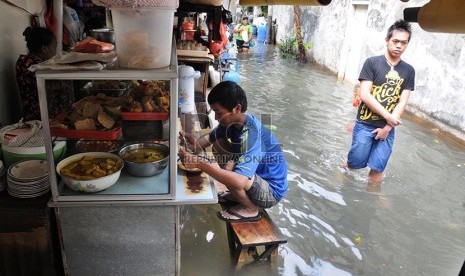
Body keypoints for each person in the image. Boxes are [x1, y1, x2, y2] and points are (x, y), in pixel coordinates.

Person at [178, 81, 288, 222]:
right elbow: (205, 142)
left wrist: (200, 164)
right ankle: (238, 195)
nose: (216, 118)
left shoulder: (252, 135)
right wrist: (192, 143)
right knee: (218, 142)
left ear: (237, 108)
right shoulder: (231, 123)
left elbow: (240, 181)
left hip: (270, 192)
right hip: (255, 179)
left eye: (219, 112)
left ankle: (250, 209)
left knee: (234, 171)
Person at [344, 20, 415, 187]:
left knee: (377, 169)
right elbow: (365, 94)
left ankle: (373, 197)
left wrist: (388, 127)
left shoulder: (409, 71)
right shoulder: (372, 63)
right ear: (387, 40)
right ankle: (341, 177)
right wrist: (389, 117)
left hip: (388, 129)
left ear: (407, 44)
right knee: (354, 164)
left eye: (403, 43)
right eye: (395, 41)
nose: (399, 46)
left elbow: (403, 101)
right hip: (365, 124)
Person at [15, 27, 74, 121]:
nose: (56, 51)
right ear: (44, 48)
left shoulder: (35, 62)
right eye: (54, 47)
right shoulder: (31, 65)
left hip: (52, 117)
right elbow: (54, 86)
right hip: (41, 120)